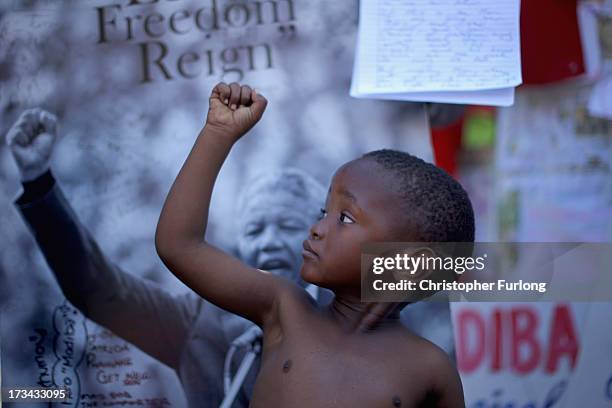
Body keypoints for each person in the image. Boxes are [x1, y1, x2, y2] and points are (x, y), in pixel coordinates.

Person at [155, 82, 471, 407]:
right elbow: (179, 245)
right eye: (324, 212)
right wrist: (218, 134)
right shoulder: (283, 310)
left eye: (344, 218)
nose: (317, 228)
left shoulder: (431, 370)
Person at [6, 108, 328, 407]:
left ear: (321, 233)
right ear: (239, 244)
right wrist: (38, 181)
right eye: (255, 230)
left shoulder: (362, 304)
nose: (269, 241)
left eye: (287, 225)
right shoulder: (201, 324)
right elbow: (97, 289)